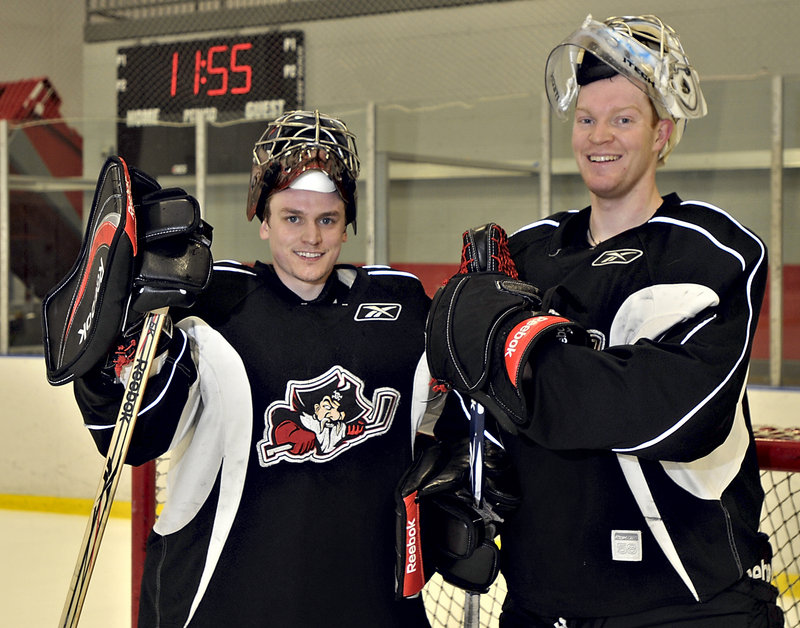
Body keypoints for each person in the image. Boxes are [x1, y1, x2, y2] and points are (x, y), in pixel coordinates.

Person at [425, 14, 783, 627]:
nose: (600, 136)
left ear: (662, 134)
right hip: (542, 605)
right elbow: (478, 398)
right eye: (586, 119)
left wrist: (517, 355)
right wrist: (467, 461)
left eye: (623, 119)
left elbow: (666, 412)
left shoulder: (714, 248)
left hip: (689, 609)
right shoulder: (530, 253)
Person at [65, 110, 435, 626]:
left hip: (367, 605)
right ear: (261, 221)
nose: (311, 236)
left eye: (327, 219)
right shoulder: (212, 307)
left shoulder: (403, 309)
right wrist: (118, 356)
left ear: (347, 225)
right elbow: (133, 437)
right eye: (291, 217)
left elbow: (463, 410)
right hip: (221, 605)